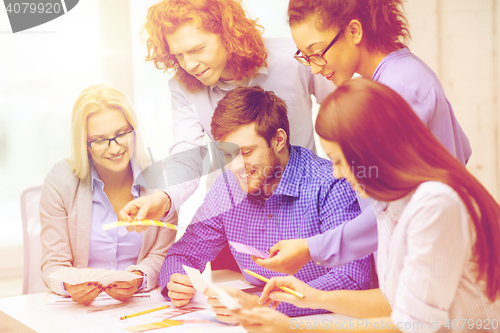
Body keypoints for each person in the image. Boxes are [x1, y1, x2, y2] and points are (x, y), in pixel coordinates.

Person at [233, 78, 500, 333]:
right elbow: (395, 302)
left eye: (339, 160)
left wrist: (292, 328)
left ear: (372, 149)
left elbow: (414, 325)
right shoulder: (389, 206)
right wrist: (311, 297)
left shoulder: (435, 203)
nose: (337, 173)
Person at [254, 0, 472, 275]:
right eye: (306, 56)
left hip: (427, 264)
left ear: (354, 31)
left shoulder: (398, 90)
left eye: (318, 52)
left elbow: (389, 209)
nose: (316, 68)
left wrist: (312, 248)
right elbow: (462, 148)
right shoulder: (402, 75)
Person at [159, 86, 372, 323]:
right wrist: (177, 281)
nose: (236, 166)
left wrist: (267, 306)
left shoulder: (329, 183)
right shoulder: (228, 186)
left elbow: (353, 277)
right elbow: (183, 254)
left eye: (247, 152)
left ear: (278, 140)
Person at [118, 0, 333, 224]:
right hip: (235, 217)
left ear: (228, 33)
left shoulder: (294, 59)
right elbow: (188, 152)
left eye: (197, 49)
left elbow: (344, 116)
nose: (189, 65)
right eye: (179, 56)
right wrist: (163, 197)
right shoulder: (182, 87)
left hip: (305, 207)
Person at [40, 84, 177, 305]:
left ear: (134, 131)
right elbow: (53, 263)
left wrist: (139, 278)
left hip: (141, 304)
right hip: (79, 309)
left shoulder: (162, 181)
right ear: (85, 145)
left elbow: (162, 254)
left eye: (122, 134)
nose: (114, 149)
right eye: (100, 140)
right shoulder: (60, 180)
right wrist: (68, 285)